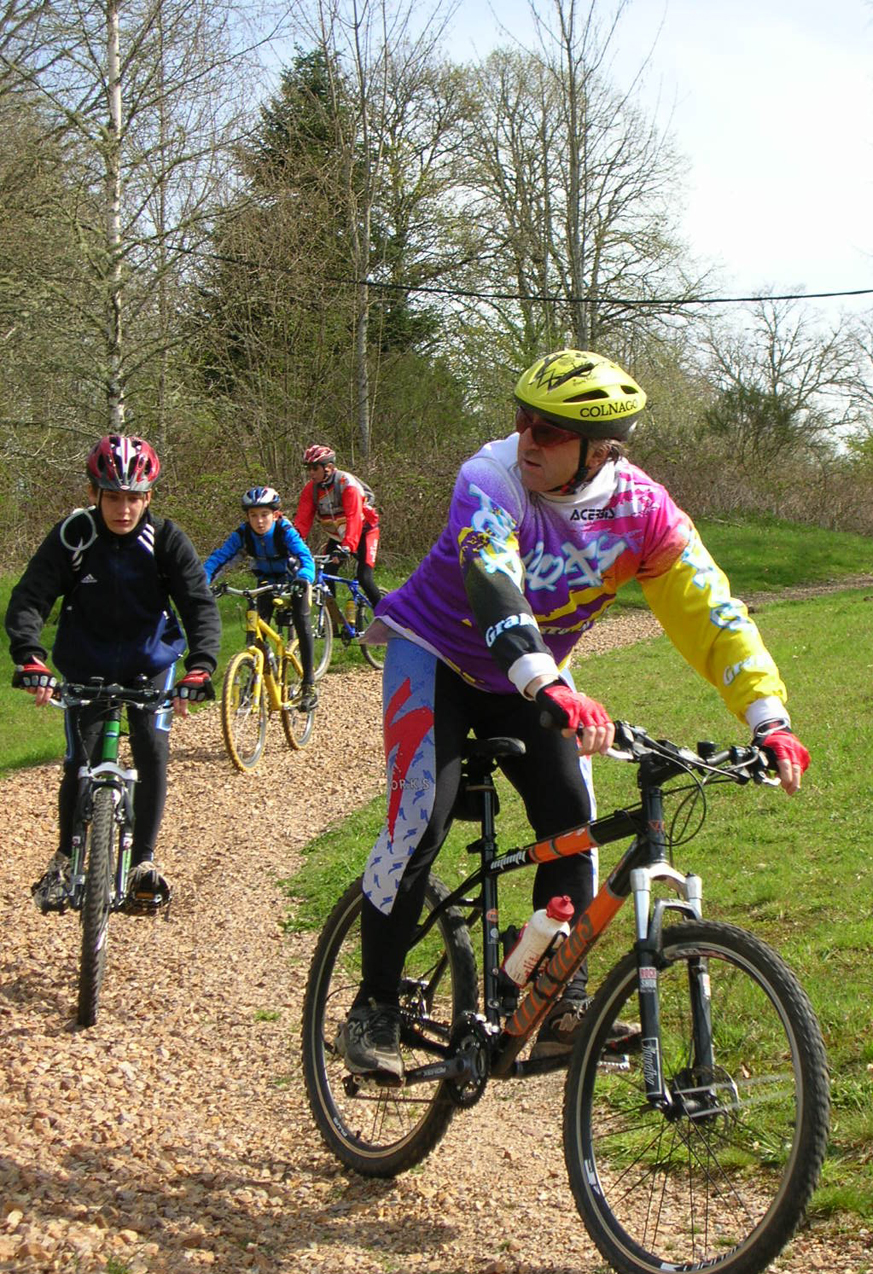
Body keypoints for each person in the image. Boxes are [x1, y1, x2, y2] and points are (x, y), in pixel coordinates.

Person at [340, 350, 811, 1082]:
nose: (529, 437)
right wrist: (546, 680)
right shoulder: (489, 478)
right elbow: (495, 583)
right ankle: (371, 1006)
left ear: (602, 447)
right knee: (419, 817)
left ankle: (557, 1002)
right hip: (436, 653)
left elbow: (708, 608)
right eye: (523, 418)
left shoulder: (642, 511)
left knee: (573, 820)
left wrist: (768, 715)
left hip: (534, 678)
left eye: (551, 431)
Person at [5, 435, 221, 911]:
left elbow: (198, 605)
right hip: (86, 663)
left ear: (148, 497)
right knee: (77, 761)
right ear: (93, 494)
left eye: (134, 497)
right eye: (113, 496)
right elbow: (31, 597)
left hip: (151, 664)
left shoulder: (166, 539)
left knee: (152, 750)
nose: (124, 509)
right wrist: (30, 656)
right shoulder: (72, 536)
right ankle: (65, 857)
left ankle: (143, 860)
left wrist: (200, 666)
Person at [202, 486, 318, 711]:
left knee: (302, 624)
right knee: (256, 628)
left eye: (264, 515)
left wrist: (304, 578)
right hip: (265, 582)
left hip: (294, 581)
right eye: (253, 515)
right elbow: (221, 557)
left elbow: (305, 557)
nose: (259, 521)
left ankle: (309, 685)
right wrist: (202, 581)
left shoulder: (285, 531)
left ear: (275, 515)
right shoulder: (243, 534)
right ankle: (252, 681)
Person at [294, 445, 382, 607]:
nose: (311, 473)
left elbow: (354, 517)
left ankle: (388, 618)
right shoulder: (311, 489)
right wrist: (293, 544)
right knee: (326, 576)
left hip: (364, 532)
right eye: (308, 469)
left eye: (315, 468)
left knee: (364, 577)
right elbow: (302, 520)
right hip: (337, 536)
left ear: (329, 467)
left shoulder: (346, 483)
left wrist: (347, 547)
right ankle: (332, 623)